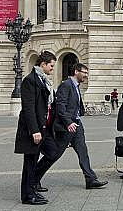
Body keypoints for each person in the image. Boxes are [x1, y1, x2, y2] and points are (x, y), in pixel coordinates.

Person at [35, 62, 108, 190]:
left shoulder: (76, 86)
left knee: (83, 152)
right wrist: (68, 122)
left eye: (87, 73)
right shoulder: (66, 85)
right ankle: (34, 178)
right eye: (84, 73)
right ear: (76, 72)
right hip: (66, 127)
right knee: (54, 154)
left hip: (77, 125)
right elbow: (60, 106)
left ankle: (90, 179)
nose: (86, 75)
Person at [14, 50, 57, 205]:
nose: (52, 68)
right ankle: (28, 195)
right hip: (34, 130)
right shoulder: (30, 80)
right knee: (30, 162)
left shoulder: (43, 80)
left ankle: (33, 183)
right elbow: (29, 108)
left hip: (44, 128)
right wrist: (35, 131)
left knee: (53, 152)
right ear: (43, 64)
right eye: (51, 66)